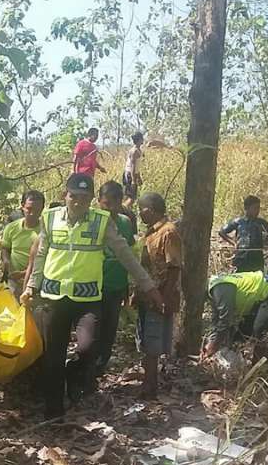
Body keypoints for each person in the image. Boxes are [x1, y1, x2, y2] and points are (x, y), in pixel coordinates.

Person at [21, 173, 163, 419]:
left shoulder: (101, 221)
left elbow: (124, 254)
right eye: (74, 197)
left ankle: (74, 379)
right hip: (54, 299)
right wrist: (32, 286)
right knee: (53, 356)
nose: (78, 202)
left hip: (87, 299)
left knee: (87, 349)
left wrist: (148, 286)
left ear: (91, 200)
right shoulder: (50, 218)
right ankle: (54, 410)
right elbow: (41, 254)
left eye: (85, 198)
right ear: (65, 195)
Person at [135, 192, 181, 398]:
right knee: (145, 341)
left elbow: (174, 267)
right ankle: (148, 382)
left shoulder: (168, 232)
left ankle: (150, 387)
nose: (139, 215)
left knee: (153, 343)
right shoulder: (150, 232)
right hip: (147, 295)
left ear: (150, 210)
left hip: (159, 295)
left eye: (141, 210)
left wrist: (164, 297)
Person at [202, 271, 268, 363]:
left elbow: (226, 319)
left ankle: (261, 368)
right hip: (257, 300)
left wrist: (214, 345)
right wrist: (210, 342)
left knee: (261, 331)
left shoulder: (219, 289)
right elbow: (216, 320)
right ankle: (236, 364)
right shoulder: (213, 289)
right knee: (240, 335)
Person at [94, 181, 136, 374]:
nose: (110, 208)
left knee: (110, 328)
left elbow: (128, 254)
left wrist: (127, 285)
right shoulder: (91, 221)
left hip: (116, 285)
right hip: (92, 285)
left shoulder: (126, 223)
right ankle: (88, 368)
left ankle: (100, 366)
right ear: (98, 201)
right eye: (106, 203)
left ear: (121, 202)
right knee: (92, 329)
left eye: (114, 204)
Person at [1, 191, 45, 297]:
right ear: (22, 206)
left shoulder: (46, 230)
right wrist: (6, 261)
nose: (32, 213)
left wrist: (24, 273)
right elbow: (5, 248)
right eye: (29, 209)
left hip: (36, 282)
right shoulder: (11, 228)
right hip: (13, 281)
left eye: (37, 210)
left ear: (42, 209)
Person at [218, 195, 268, 273]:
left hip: (257, 258)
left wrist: (267, 242)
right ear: (247, 208)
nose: (257, 211)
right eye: (255, 208)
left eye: (258, 208)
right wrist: (233, 243)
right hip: (241, 257)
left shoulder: (261, 222)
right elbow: (222, 232)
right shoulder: (238, 221)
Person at [123, 132, 144, 204]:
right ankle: (124, 211)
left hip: (132, 174)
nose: (143, 139)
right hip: (129, 175)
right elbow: (132, 166)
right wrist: (133, 180)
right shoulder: (134, 151)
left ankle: (126, 210)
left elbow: (137, 166)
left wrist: (139, 177)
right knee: (131, 198)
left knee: (130, 197)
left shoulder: (138, 150)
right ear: (139, 139)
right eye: (142, 138)